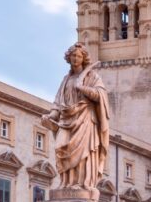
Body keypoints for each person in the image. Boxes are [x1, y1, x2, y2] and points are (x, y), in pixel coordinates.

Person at [42, 43, 110, 189]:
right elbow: (58, 103)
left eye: (79, 56)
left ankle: (80, 183)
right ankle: (66, 183)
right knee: (61, 147)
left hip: (85, 118)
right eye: (73, 55)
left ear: (83, 58)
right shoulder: (66, 79)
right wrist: (51, 116)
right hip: (66, 118)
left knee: (82, 154)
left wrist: (82, 87)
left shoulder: (92, 77)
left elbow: (100, 95)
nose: (75, 58)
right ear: (69, 57)